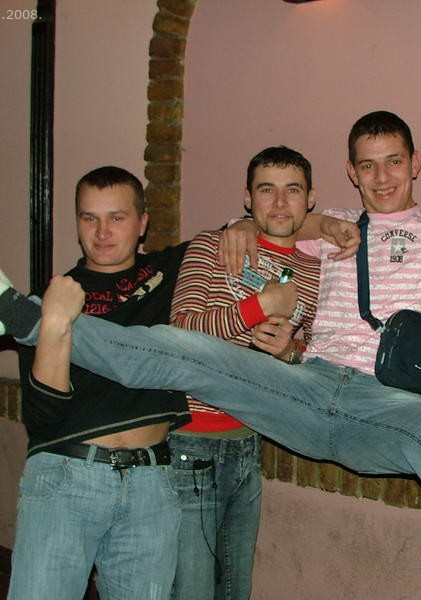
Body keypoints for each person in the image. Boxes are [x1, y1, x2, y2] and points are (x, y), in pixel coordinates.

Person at [0, 110, 421, 566]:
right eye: (367, 165)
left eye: (394, 162)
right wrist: (241, 224)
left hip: (388, 403)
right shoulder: (331, 227)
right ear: (351, 173)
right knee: (189, 352)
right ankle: (11, 314)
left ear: (417, 165)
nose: (382, 177)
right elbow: (270, 217)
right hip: (302, 386)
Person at [7, 166, 190, 599]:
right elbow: (42, 416)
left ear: (142, 222)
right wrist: (55, 322)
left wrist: (322, 226)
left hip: (152, 482)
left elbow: (262, 223)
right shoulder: (53, 297)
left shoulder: (170, 272)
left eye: (116, 218)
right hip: (67, 476)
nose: (102, 232)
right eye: (89, 218)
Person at [168, 146, 321, 600]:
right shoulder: (211, 245)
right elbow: (180, 331)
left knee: (235, 590)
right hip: (191, 442)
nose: (280, 202)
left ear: (310, 199)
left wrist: (290, 351)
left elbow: (318, 357)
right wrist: (258, 307)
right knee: (191, 590)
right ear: (247, 199)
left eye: (292, 190)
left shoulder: (317, 272)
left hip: (250, 443)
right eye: (267, 190)